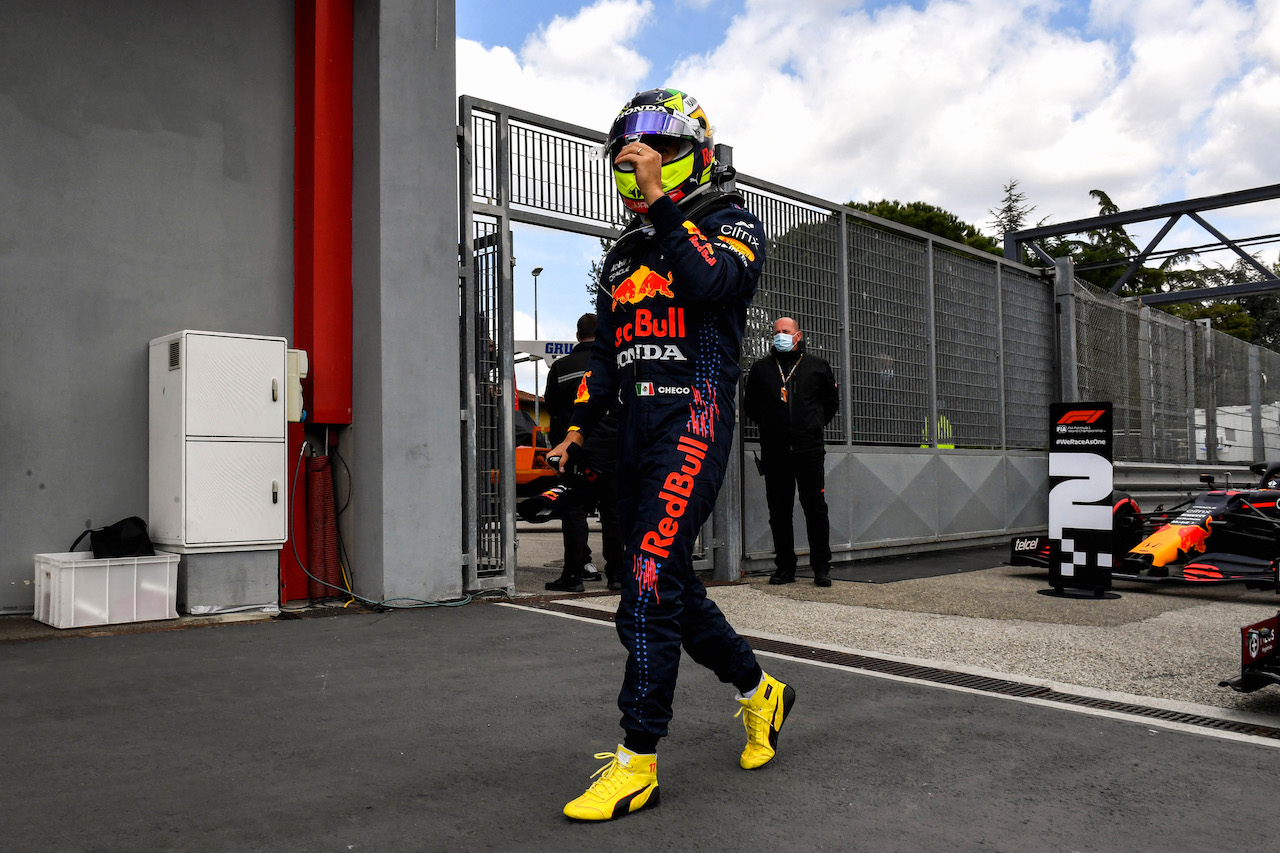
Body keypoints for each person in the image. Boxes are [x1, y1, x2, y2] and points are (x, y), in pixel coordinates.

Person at [546, 88, 795, 821]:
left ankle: (639, 759)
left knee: (650, 583)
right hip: (633, 426)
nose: (640, 167)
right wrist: (587, 439)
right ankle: (760, 691)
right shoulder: (623, 254)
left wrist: (660, 202)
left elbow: (714, 282)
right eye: (630, 161)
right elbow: (614, 357)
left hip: (696, 411)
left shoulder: (732, 221)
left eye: (654, 155)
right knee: (656, 592)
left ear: (691, 152)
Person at [744, 317, 840, 587]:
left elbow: (831, 404)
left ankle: (822, 567)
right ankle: (785, 567)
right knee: (779, 511)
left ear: (798, 336)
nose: (779, 336)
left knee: (815, 508)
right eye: (776, 332)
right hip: (775, 452)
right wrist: (770, 425)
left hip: (809, 449)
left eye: (785, 332)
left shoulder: (817, 366)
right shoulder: (762, 369)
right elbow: (751, 405)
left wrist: (813, 425)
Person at [542, 313, 624, 592]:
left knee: (574, 512)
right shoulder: (615, 365)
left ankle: (574, 576)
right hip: (611, 449)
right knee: (613, 513)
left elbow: (551, 405)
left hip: (574, 451)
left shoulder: (561, 366)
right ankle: (617, 575)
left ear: (577, 336)